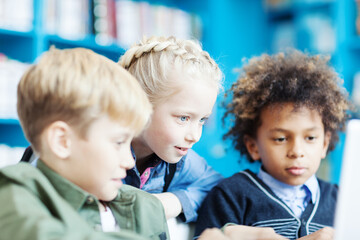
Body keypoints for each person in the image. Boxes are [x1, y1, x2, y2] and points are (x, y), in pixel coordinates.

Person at [0, 47, 169, 240]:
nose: (129, 161)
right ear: (62, 141)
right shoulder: (14, 190)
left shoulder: (147, 206)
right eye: (119, 142)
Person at [194, 50, 350, 240]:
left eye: (310, 138)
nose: (297, 152)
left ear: (325, 144)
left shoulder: (344, 202)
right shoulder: (229, 196)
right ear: (253, 146)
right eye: (281, 139)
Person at [119, 36, 223, 222]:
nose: (195, 136)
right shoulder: (100, 151)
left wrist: (174, 202)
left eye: (202, 120)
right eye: (183, 118)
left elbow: (217, 187)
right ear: (140, 104)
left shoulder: (179, 162)